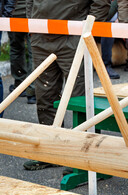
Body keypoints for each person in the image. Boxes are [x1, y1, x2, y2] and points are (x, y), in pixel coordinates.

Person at [23, 0, 110, 171]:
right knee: (45, 96)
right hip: (42, 36)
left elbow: (101, 3)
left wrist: (87, 31)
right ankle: (51, 151)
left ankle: (81, 155)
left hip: (73, 37)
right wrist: (32, 25)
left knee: (80, 100)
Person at [7, 0, 36, 104]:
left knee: (16, 49)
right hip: (34, 10)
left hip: (15, 10)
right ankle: (32, 90)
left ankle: (20, 85)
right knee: (34, 51)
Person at [101, 0, 120, 79]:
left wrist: (121, 19)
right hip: (101, 26)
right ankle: (106, 66)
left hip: (118, 26)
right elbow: (106, 16)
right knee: (107, 29)